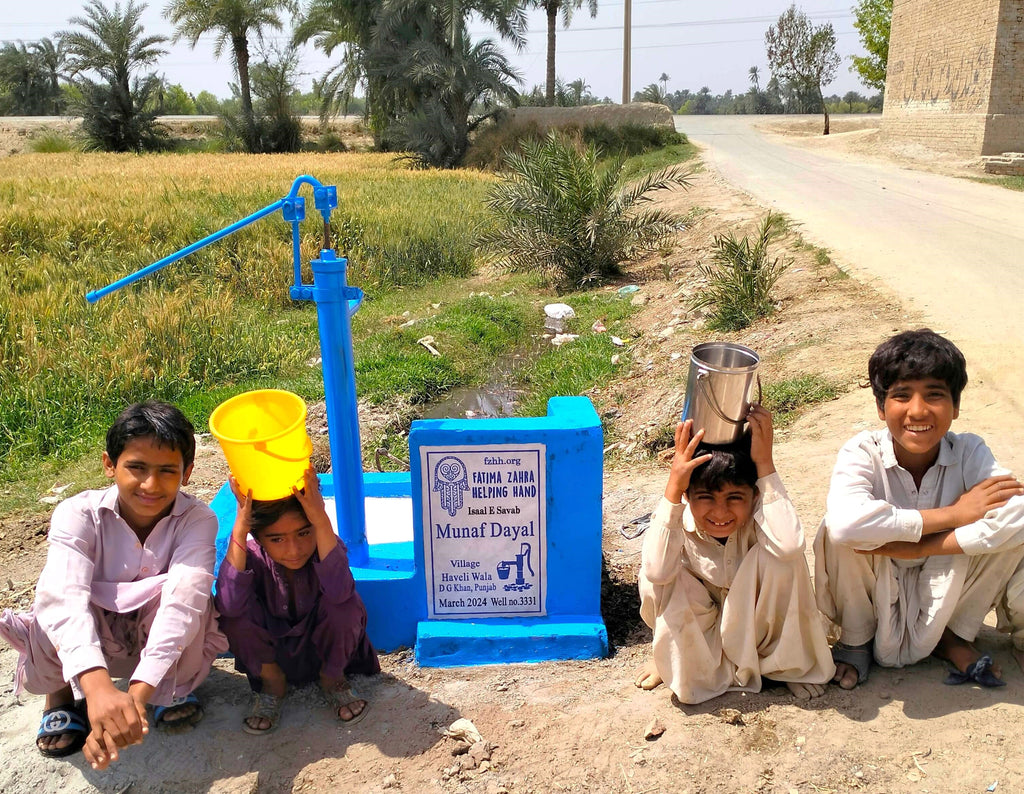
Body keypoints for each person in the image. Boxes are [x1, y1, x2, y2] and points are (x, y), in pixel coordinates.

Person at [0, 401, 228, 768]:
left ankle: (162, 689)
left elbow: (184, 600)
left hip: (150, 632)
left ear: (187, 474)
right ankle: (60, 695)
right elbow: (65, 598)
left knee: (191, 602)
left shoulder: (197, 519)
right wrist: (98, 690)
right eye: (136, 467)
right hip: (92, 627)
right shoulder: (78, 514)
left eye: (167, 470)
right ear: (110, 465)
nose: (151, 485)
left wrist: (133, 701)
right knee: (53, 603)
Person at [815, 329, 1024, 689]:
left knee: (1008, 535)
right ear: (881, 407)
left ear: (955, 407)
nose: (918, 410)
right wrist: (953, 516)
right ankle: (856, 638)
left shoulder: (970, 451)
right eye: (901, 395)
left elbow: (1017, 514)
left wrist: (924, 544)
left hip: (946, 573)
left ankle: (952, 636)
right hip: (878, 577)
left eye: (934, 395)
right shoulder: (862, 451)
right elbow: (847, 526)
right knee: (836, 531)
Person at [634, 407, 835, 704]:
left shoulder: (760, 512)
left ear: (753, 495)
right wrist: (674, 485)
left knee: (785, 559)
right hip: (701, 627)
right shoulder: (676, 516)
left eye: (734, 498)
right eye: (706, 498)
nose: (720, 513)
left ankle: (784, 666)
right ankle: (668, 657)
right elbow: (657, 573)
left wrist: (765, 464)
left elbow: (792, 546)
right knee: (657, 572)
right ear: (688, 497)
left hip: (755, 627)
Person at [215, 466, 379, 734]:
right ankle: (272, 683)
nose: (294, 550)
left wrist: (320, 519)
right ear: (259, 537)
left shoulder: (325, 545)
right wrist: (241, 526)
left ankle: (333, 678)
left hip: (325, 653)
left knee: (345, 605)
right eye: (277, 539)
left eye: (304, 533)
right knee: (233, 614)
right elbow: (229, 605)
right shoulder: (252, 557)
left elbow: (340, 592)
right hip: (273, 656)